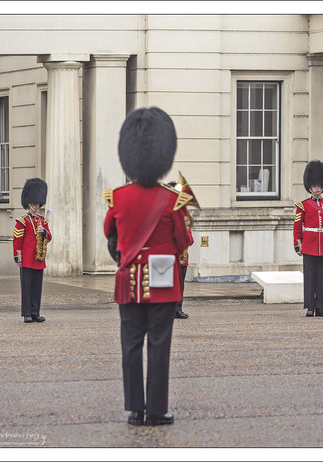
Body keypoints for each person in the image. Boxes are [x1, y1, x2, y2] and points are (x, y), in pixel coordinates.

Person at [103, 107, 194, 426]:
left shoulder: (117, 197)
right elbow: (184, 242)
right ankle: (156, 410)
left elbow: (110, 237)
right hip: (163, 282)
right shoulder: (173, 200)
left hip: (128, 281)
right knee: (158, 346)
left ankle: (135, 410)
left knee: (130, 346)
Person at [293, 160, 323, 317]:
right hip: (310, 245)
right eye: (314, 185)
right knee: (310, 278)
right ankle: (310, 307)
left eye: (319, 185)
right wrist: (298, 245)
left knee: (321, 279)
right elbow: (298, 226)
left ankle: (320, 307)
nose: (317, 188)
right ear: (310, 187)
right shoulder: (303, 206)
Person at [13, 178, 52, 323]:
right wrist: (18, 258)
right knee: (27, 288)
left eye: (38, 203)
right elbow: (17, 240)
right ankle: (27, 313)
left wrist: (43, 232)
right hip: (27, 259)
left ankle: (35, 312)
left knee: (37, 288)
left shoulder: (42, 221)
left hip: (38, 258)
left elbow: (49, 237)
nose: (36, 206)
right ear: (29, 204)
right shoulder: (22, 221)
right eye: (34, 204)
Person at [167, 181, 192, 320]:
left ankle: (177, 309)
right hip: (167, 253)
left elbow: (188, 234)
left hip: (181, 254)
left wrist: (186, 242)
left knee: (179, 284)